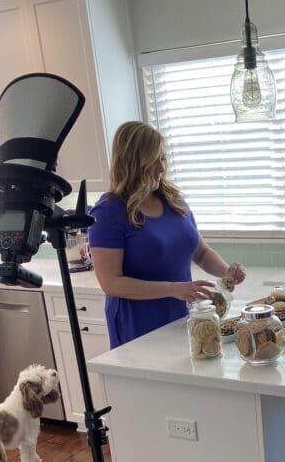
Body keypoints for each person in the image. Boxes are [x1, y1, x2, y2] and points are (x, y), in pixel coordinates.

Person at [88, 121, 245, 348]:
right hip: (138, 326)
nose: (161, 168)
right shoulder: (109, 212)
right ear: (132, 163)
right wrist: (173, 289)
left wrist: (226, 271)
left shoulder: (173, 200)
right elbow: (111, 283)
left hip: (184, 316)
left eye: (163, 158)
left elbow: (200, 252)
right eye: (153, 161)